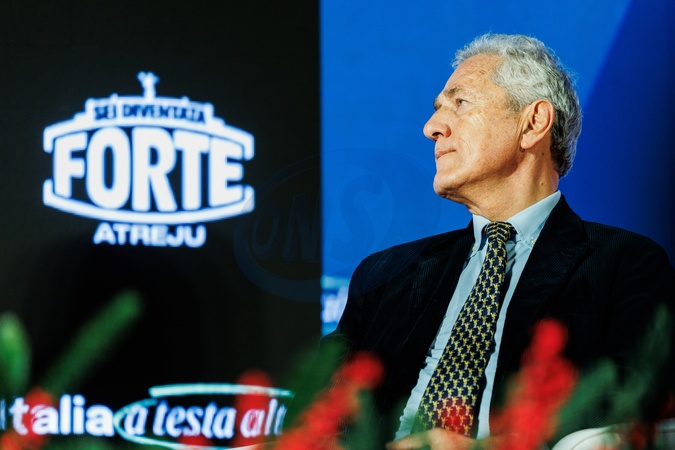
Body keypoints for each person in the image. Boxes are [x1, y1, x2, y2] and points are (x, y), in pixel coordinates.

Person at [312, 34, 675, 449]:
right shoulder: (384, 275)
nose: (431, 128)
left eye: (459, 103)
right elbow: (321, 411)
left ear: (533, 123)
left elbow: (630, 407)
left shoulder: (624, 264)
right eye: (437, 109)